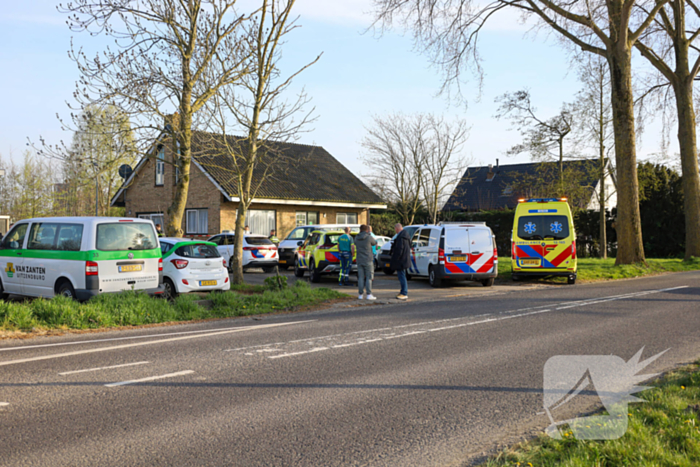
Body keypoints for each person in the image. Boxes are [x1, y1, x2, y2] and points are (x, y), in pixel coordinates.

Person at [354, 224, 377, 300]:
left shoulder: (356, 237)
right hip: (368, 259)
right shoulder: (368, 237)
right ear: (367, 230)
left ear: (360, 230)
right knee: (369, 277)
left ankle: (360, 295)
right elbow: (374, 242)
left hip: (359, 259)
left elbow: (355, 243)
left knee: (360, 277)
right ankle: (369, 294)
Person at [390, 223, 411, 300]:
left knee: (402, 276)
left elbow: (399, 249)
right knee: (403, 275)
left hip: (401, 260)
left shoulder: (400, 237)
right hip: (405, 259)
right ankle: (403, 291)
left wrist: (396, 259)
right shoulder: (406, 236)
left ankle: (404, 293)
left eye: (395, 229)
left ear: (397, 228)